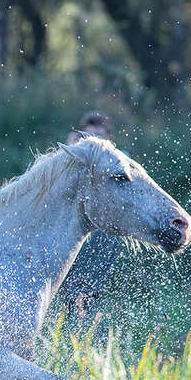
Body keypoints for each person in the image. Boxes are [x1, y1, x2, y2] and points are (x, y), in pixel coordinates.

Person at [62, 112, 126, 327]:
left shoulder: (121, 159)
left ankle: (89, 337)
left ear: (109, 136)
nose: (94, 142)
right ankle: (71, 335)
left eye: (99, 136)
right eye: (89, 137)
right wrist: (71, 148)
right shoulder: (77, 158)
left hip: (103, 237)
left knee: (91, 292)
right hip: (77, 233)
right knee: (69, 292)